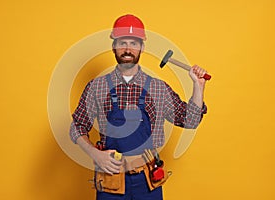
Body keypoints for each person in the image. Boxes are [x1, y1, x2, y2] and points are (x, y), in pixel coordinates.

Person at [70, 14, 208, 200]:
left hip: (147, 179)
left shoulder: (158, 88)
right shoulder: (97, 87)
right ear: (113, 47)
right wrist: (95, 154)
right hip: (111, 179)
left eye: (134, 43)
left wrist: (198, 87)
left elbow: (190, 121)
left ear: (142, 47)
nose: (128, 49)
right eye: (122, 43)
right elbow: (77, 127)